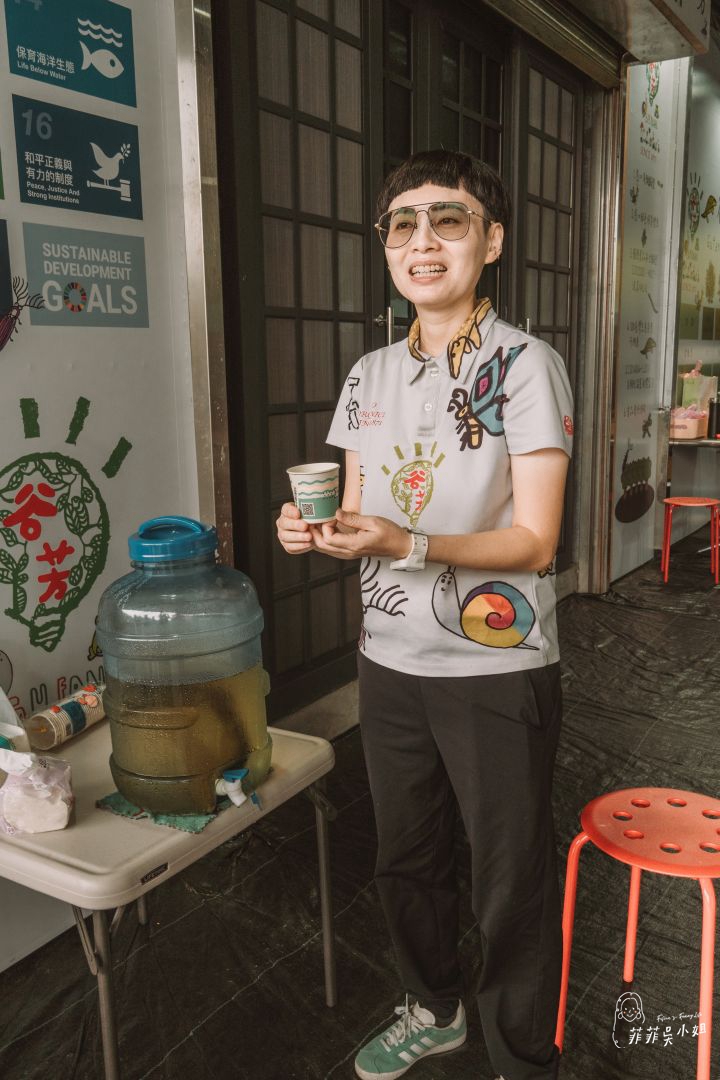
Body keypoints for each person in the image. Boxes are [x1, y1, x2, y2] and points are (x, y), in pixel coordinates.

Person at [276, 149, 573, 1080]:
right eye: (402, 223)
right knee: (406, 859)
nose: (422, 239)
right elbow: (357, 508)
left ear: (491, 240)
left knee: (507, 875)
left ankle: (521, 1056)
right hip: (392, 659)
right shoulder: (367, 374)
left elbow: (535, 542)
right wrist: (311, 531)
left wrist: (403, 542)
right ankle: (433, 1007)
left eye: (449, 218)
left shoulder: (527, 366)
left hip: (495, 666)